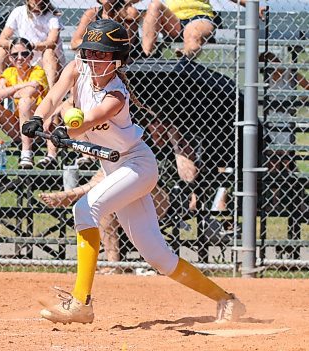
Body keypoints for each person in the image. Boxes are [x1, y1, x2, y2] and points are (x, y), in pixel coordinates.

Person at [22, 19, 245, 324]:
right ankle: (226, 299)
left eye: (103, 55)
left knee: (85, 210)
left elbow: (86, 123)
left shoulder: (116, 96)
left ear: (118, 60)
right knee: (158, 257)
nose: (94, 59)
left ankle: (80, 304)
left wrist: (65, 132)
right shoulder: (76, 68)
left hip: (137, 166)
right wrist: (37, 117)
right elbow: (51, 97)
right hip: (115, 169)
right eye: (91, 52)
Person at [39, 170, 170, 274]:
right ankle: (113, 265)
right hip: (123, 203)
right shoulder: (110, 157)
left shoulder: (138, 149)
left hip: (155, 200)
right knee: (104, 207)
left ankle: (72, 194)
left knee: (116, 174)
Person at [0, 37, 56, 169]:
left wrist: (8, 91)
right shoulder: (9, 72)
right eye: (15, 55)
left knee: (25, 102)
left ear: (31, 56)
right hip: (17, 127)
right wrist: (18, 88)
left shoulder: (38, 71)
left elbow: (27, 94)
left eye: (24, 54)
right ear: (9, 58)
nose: (19, 58)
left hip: (39, 128)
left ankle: (26, 155)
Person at [142, 0, 266, 59]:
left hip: (199, 16)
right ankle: (146, 54)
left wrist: (253, 6)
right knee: (155, 6)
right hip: (174, 20)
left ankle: (185, 55)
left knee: (194, 35)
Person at [71, 0, 143, 61]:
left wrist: (95, 41)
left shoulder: (128, 12)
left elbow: (126, 45)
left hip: (126, 58)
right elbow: (74, 43)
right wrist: (99, 43)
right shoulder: (92, 13)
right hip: (97, 56)